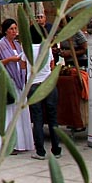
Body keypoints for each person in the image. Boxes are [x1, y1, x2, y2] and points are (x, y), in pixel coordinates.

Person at [0, 18, 34, 154]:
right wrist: (9, 60)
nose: (14, 31)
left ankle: (22, 142)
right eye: (11, 29)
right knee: (9, 114)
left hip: (19, 81)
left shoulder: (17, 45)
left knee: (20, 112)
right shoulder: (0, 45)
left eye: (15, 28)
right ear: (6, 31)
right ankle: (10, 144)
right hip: (8, 82)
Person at [28, 12, 60, 160]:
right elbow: (52, 64)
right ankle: (56, 149)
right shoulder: (46, 47)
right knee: (53, 118)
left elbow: (23, 65)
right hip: (48, 84)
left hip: (34, 85)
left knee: (38, 119)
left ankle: (40, 151)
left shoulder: (26, 49)